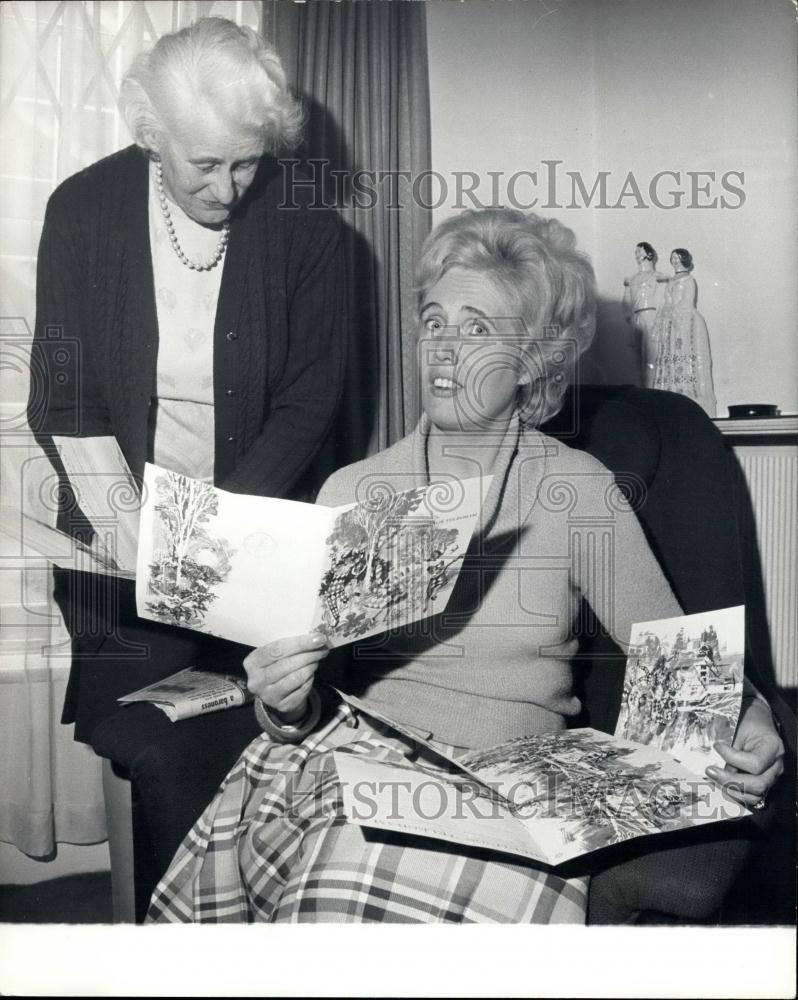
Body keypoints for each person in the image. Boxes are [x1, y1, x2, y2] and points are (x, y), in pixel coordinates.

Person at [147, 209, 783, 924]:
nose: (444, 349)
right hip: (350, 765)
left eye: (478, 328)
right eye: (434, 321)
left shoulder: (576, 491)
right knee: (346, 861)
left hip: (506, 786)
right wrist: (282, 703)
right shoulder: (353, 491)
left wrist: (752, 716)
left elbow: (679, 661)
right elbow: (305, 698)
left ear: (535, 358)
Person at [27, 21, 345, 777]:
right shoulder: (82, 211)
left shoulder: (310, 229)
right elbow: (68, 399)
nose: (228, 188)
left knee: (263, 749)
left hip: (258, 535)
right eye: (204, 164)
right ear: (150, 134)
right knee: (147, 747)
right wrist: (134, 529)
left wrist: (212, 536)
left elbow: (309, 404)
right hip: (123, 543)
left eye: (247, 164)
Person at [652, 248, 716, 416]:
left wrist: (674, 312)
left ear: (683, 259)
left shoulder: (689, 280)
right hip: (671, 322)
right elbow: (667, 300)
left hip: (686, 321)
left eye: (677, 257)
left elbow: (687, 302)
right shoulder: (670, 281)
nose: (674, 260)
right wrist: (666, 314)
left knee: (686, 352)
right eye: (672, 258)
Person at [622, 241, 669, 386]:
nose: (637, 255)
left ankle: (651, 390)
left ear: (649, 254)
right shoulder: (632, 279)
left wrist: (659, 320)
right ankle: (642, 390)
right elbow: (625, 302)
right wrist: (628, 316)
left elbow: (664, 299)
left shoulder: (658, 276)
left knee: (651, 357)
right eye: (636, 252)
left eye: (640, 251)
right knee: (636, 357)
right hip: (636, 317)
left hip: (651, 315)